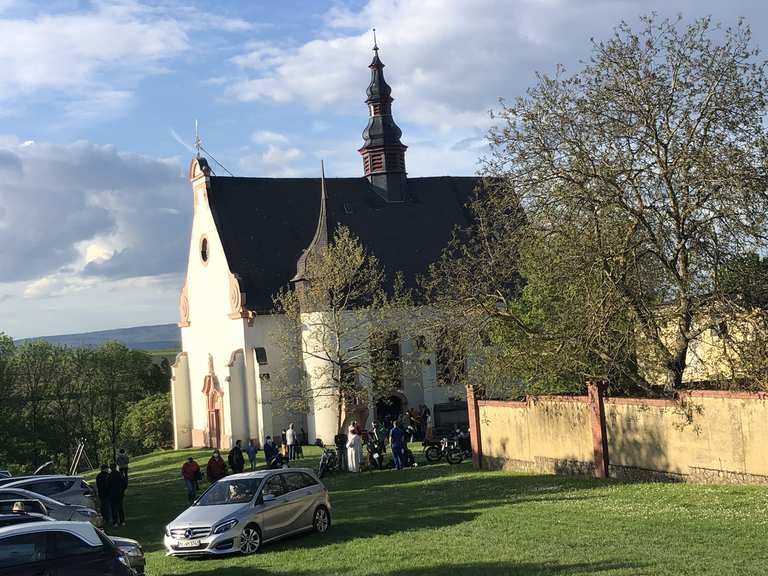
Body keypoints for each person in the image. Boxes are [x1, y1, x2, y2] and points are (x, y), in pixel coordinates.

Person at [107, 462, 127, 527]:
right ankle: (122, 521)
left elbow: (107, 485)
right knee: (120, 507)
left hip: (112, 493)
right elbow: (125, 484)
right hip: (120, 493)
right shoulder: (120, 474)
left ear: (110, 468)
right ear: (116, 467)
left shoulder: (109, 476)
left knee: (113, 508)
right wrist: (122, 490)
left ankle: (115, 522)